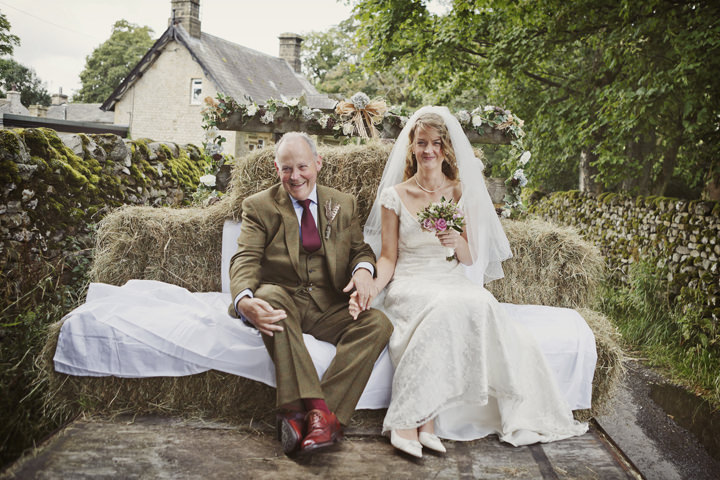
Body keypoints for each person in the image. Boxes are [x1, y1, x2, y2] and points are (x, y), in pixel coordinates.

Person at [353, 107, 587, 458]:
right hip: (411, 281)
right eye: (421, 143)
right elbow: (387, 258)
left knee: (480, 302)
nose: (428, 150)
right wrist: (372, 284)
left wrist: (454, 241)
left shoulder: (459, 192)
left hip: (448, 279)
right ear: (412, 148)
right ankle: (406, 421)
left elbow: (468, 257)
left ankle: (427, 420)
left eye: (435, 143)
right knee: (444, 307)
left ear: (446, 148)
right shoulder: (395, 196)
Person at [228, 132, 392, 455]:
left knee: (379, 325)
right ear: (277, 169)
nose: (295, 176)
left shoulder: (342, 204)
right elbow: (244, 258)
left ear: (317, 163)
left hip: (327, 306)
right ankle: (309, 411)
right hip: (284, 302)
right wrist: (244, 301)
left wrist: (363, 271)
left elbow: (361, 250)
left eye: (302, 166)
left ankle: (314, 417)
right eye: (286, 169)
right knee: (270, 296)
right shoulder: (259, 207)